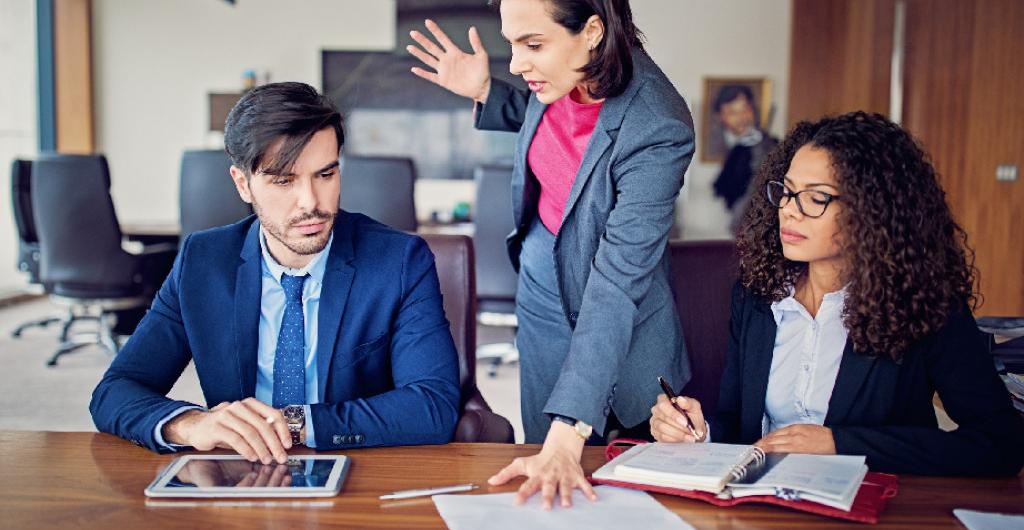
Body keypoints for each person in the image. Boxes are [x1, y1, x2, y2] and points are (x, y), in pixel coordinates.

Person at [407, 0, 694, 508]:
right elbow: (541, 116)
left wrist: (571, 429)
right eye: (511, 43)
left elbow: (618, 280)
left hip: (622, 321)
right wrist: (484, 91)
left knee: (625, 496)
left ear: (591, 31)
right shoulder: (562, 76)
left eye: (532, 45)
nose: (516, 63)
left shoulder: (658, 125)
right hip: (542, 290)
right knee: (546, 489)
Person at [90, 82, 461, 463]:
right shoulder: (203, 261)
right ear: (242, 184)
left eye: (325, 175)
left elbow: (433, 405)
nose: (311, 203)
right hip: (239, 476)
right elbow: (116, 390)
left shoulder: (398, 260)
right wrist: (190, 424)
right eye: (283, 181)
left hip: (357, 468)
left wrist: (290, 424)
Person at [650, 111, 1024, 476]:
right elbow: (739, 425)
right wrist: (698, 432)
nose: (788, 211)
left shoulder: (925, 305)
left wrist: (839, 444)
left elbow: (1000, 443)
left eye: (816, 198)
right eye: (787, 191)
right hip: (759, 508)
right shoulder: (758, 297)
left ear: (872, 210)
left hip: (874, 510)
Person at [710, 84, 777, 234]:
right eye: (733, 112)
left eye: (746, 109)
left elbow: (755, 194)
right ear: (721, 116)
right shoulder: (734, 145)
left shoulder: (766, 146)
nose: (742, 117)